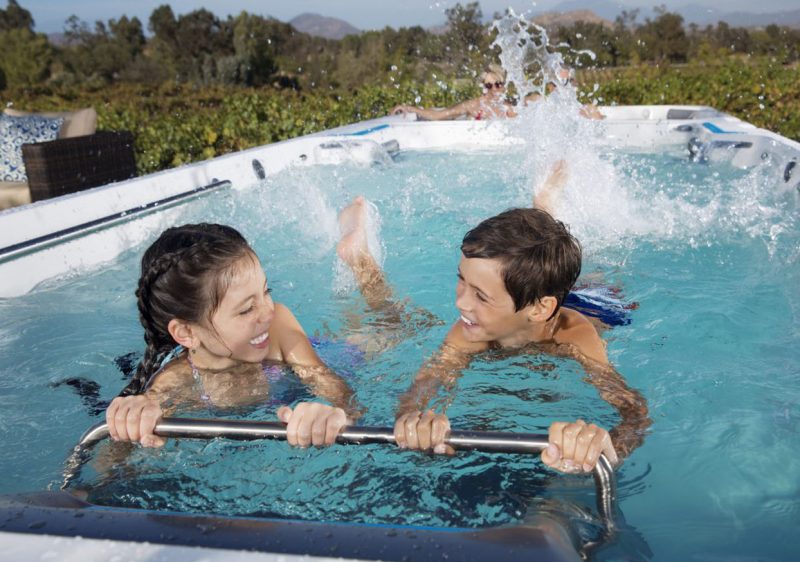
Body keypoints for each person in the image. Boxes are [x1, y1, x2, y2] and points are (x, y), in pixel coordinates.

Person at [337, 170, 649, 474]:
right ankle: (361, 263)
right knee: (406, 321)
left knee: (590, 274)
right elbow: (424, 386)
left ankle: (544, 207)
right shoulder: (469, 333)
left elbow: (634, 412)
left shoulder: (574, 338)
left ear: (541, 310)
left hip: (594, 305)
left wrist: (608, 450)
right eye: (462, 281)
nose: (460, 302)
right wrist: (414, 419)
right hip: (530, 300)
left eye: (480, 296)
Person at [106, 223, 359, 449]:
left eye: (266, 291)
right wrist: (131, 418)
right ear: (186, 333)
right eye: (247, 309)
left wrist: (334, 414)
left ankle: (359, 259)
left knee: (382, 333)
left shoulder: (278, 325)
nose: (268, 311)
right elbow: (111, 461)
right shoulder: (176, 384)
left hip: (324, 352)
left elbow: (339, 393)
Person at [390, 65, 516, 121]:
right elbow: (439, 115)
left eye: (498, 84)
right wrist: (410, 108)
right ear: (483, 87)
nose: (494, 89)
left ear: (503, 86)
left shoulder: (508, 107)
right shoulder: (473, 105)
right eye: (489, 85)